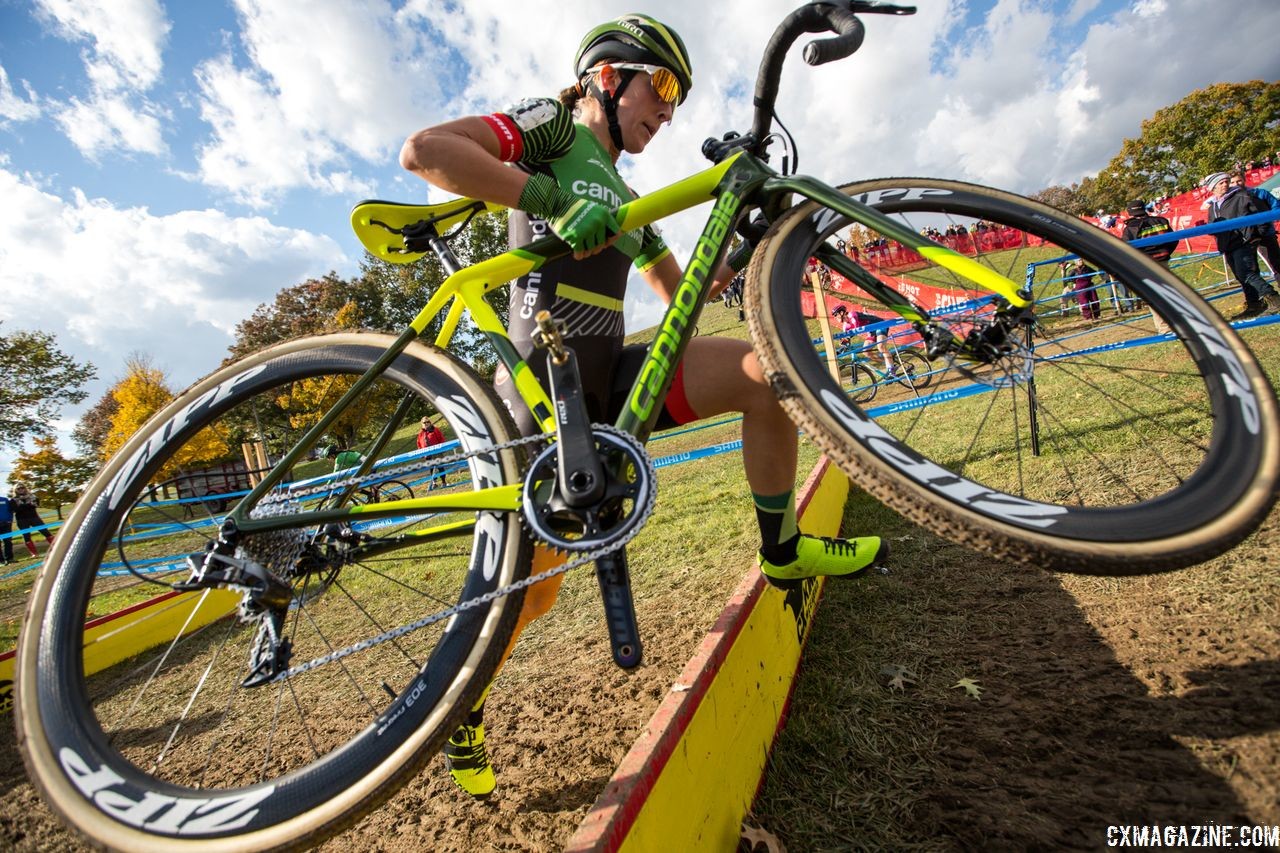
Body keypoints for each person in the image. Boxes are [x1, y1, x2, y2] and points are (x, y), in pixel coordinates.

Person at [399, 12, 886, 799]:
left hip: (610, 378)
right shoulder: (554, 127)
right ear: (604, 76)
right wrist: (551, 199)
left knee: (764, 375)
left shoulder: (626, 192)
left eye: (678, 98)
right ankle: (460, 706)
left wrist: (742, 243)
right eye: (659, 86)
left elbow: (686, 294)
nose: (668, 109)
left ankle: (782, 547)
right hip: (539, 384)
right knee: (524, 591)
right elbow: (427, 152)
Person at [1203, 172, 1280, 319]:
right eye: (1221, 183)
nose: (1225, 184)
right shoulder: (1212, 205)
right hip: (1227, 244)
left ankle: (1274, 298)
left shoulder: (1242, 196)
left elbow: (1261, 215)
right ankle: (1254, 305)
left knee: (1247, 273)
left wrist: (1256, 235)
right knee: (1240, 276)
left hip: (1244, 241)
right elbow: (1213, 225)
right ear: (1212, 187)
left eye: (1226, 181)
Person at [1120, 199, 1177, 321]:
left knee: (1155, 297)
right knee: (1169, 292)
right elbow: (1174, 239)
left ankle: (1164, 328)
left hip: (1145, 265)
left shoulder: (1131, 228)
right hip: (1163, 260)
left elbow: (1126, 249)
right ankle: (1179, 320)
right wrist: (1165, 252)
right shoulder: (1161, 221)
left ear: (1130, 212)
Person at [832, 304, 894, 374]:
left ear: (841, 313)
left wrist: (847, 337)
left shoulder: (852, 315)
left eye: (836, 315)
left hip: (880, 325)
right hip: (871, 331)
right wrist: (840, 350)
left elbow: (856, 328)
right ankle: (889, 362)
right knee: (866, 352)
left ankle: (891, 371)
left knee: (881, 347)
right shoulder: (845, 327)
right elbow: (847, 340)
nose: (835, 317)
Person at [11, 483, 53, 558]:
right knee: (26, 536)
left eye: (22, 487)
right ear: (15, 490)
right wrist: (28, 506)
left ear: (25, 488)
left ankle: (55, 548)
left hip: (34, 518)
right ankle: (34, 554)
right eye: (18, 488)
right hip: (22, 520)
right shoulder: (13, 500)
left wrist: (22, 506)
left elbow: (36, 505)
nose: (21, 489)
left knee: (46, 532)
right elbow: (15, 510)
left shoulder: (33, 496)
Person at [416, 416, 448, 487]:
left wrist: (442, 448)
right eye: (424, 422)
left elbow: (441, 439)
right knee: (431, 469)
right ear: (422, 424)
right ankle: (434, 483)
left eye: (428, 422)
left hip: (437, 453)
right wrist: (421, 453)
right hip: (427, 455)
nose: (426, 423)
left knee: (440, 467)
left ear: (430, 423)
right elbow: (419, 443)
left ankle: (443, 482)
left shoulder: (435, 430)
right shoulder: (421, 433)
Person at [0, 490, 14, 565]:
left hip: (6, 524)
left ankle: (9, 559)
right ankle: (1, 561)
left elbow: (10, 511)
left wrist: (10, 520)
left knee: (8, 541)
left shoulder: (4, 500)